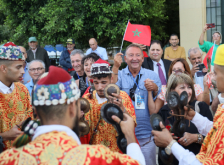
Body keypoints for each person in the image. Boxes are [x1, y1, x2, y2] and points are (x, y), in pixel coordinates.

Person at [0, 66, 145, 165]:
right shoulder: (95, 157)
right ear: (73, 109)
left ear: (35, 111)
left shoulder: (8, 159)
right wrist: (130, 137)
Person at [152, 44, 224, 164]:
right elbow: (219, 131)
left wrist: (171, 144)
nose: (212, 78)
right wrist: (195, 117)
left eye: (215, 73)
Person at [112, 44, 162, 165]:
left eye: (138, 55)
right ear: (125, 59)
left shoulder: (152, 76)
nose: (135, 58)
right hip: (124, 135)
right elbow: (111, 90)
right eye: (131, 55)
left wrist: (154, 88)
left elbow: (159, 100)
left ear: (143, 58)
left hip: (147, 136)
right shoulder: (120, 75)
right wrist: (115, 67)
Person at [81, 59, 138, 152]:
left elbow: (132, 123)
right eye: (96, 82)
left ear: (111, 79)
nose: (99, 87)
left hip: (118, 151)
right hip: (96, 152)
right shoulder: (87, 99)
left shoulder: (122, 96)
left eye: (104, 83)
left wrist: (122, 108)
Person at [157, 73, 213, 165]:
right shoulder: (163, 111)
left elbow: (214, 137)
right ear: (172, 91)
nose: (188, 91)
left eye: (189, 87)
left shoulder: (201, 107)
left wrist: (196, 138)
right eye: (182, 88)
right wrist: (166, 139)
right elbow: (157, 139)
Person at [0, 42, 33, 150]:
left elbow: (29, 117)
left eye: (23, 67)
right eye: (18, 67)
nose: (23, 72)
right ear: (3, 68)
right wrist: (4, 136)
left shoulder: (22, 89)